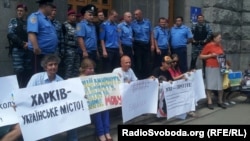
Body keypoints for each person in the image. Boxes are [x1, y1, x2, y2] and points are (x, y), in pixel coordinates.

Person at [26, 54, 78, 141]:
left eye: (55, 64)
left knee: (72, 121)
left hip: (57, 112)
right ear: (45, 67)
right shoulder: (36, 78)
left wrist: (80, 98)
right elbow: (26, 96)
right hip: (41, 113)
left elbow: (68, 98)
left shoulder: (60, 80)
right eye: (50, 65)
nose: (53, 67)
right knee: (45, 127)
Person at [79, 58, 113, 141]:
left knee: (105, 110)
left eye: (93, 68)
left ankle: (107, 132)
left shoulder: (96, 77)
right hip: (90, 105)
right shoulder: (80, 79)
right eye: (89, 69)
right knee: (97, 113)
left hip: (98, 101)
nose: (92, 70)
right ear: (83, 69)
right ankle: (101, 134)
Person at [27, 0, 58, 74]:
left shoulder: (47, 19)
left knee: (47, 76)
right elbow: (31, 33)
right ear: (45, 6)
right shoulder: (35, 17)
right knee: (38, 76)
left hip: (48, 53)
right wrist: (36, 47)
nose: (52, 9)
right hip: (39, 54)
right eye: (51, 6)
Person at [199, 32, 227, 110]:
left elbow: (223, 56)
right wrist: (210, 55)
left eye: (220, 38)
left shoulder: (220, 46)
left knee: (220, 85)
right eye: (219, 38)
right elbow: (201, 56)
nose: (220, 39)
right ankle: (209, 101)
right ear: (214, 38)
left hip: (220, 67)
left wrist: (226, 64)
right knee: (210, 85)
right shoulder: (208, 46)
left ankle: (220, 101)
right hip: (211, 67)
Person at [7, 3, 32, 88]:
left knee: (27, 72)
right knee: (19, 71)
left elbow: (32, 34)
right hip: (17, 51)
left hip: (28, 50)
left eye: (21, 11)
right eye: (18, 11)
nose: (19, 12)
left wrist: (29, 44)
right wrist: (22, 43)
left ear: (26, 12)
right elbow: (10, 34)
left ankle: (25, 91)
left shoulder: (29, 22)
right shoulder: (13, 21)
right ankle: (17, 91)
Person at [131, 9, 154, 79]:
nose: (135, 16)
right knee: (138, 63)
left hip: (146, 45)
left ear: (141, 14)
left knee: (146, 62)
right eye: (134, 14)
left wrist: (152, 44)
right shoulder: (133, 23)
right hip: (137, 45)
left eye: (137, 14)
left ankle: (146, 77)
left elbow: (151, 33)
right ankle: (138, 78)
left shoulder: (147, 22)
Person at [76, 4, 99, 69]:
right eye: (90, 15)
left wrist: (96, 51)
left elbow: (94, 39)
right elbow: (80, 38)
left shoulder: (93, 26)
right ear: (84, 15)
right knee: (85, 69)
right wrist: (84, 51)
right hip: (86, 52)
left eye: (93, 15)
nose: (92, 17)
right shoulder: (80, 25)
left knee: (93, 69)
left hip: (93, 51)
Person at [62, 9, 79, 79]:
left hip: (77, 49)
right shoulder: (64, 25)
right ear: (68, 16)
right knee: (69, 68)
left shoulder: (78, 25)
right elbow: (62, 38)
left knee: (76, 68)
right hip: (69, 49)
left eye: (74, 16)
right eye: (72, 15)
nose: (74, 17)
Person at [48, 4, 64, 78]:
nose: (54, 12)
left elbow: (61, 37)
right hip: (46, 51)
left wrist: (62, 50)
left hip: (56, 51)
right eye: (52, 10)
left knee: (55, 68)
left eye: (55, 11)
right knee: (47, 68)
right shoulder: (44, 22)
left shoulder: (58, 23)